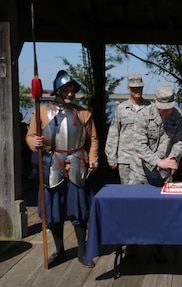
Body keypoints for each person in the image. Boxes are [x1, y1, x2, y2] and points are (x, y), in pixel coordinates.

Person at [26, 70, 99, 268]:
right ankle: (60, 252)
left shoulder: (83, 113)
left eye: (72, 90)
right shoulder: (41, 112)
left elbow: (93, 139)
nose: (70, 94)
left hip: (77, 161)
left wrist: (92, 158)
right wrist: (36, 142)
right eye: (66, 90)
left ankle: (83, 253)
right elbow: (30, 136)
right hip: (52, 162)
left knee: (80, 211)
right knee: (54, 211)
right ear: (58, 90)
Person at [130, 84, 182, 263]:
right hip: (142, 172)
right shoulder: (143, 115)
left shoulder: (179, 115)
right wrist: (158, 161)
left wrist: (173, 157)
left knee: (161, 212)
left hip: (164, 174)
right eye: (162, 109)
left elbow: (181, 138)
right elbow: (139, 144)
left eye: (169, 108)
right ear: (155, 103)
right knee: (137, 210)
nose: (166, 112)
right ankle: (132, 246)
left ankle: (158, 246)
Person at [105, 74, 152, 184]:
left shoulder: (150, 108)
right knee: (127, 192)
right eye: (134, 88)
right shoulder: (121, 109)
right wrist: (111, 157)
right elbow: (114, 132)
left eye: (140, 87)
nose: (137, 90)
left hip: (145, 159)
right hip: (126, 159)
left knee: (146, 191)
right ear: (128, 88)